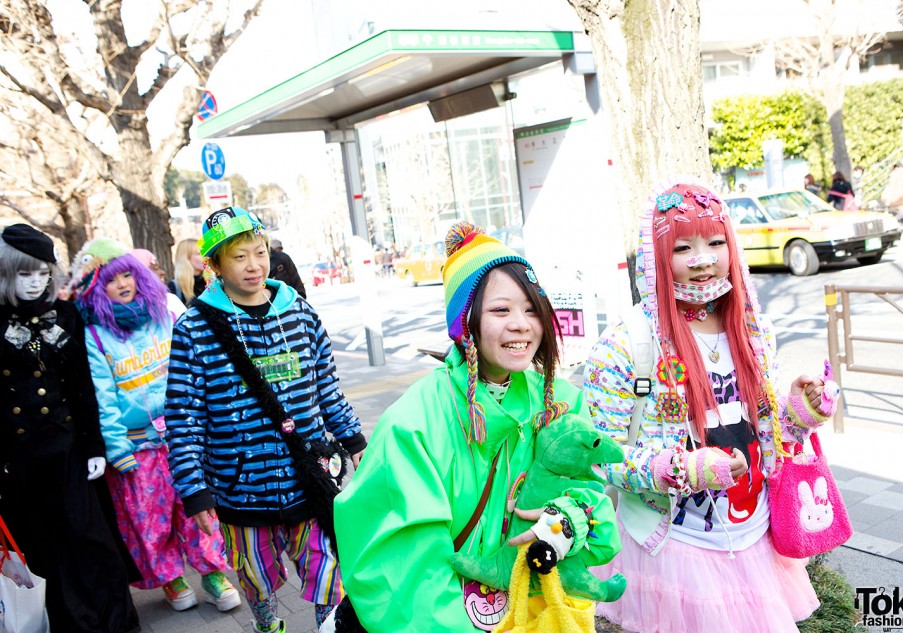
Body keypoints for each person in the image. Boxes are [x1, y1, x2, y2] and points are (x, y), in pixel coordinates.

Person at [334, 221, 622, 632]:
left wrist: (574, 522)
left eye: (531, 309)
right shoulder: (413, 423)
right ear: (465, 322)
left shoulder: (562, 405)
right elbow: (405, 573)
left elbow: (597, 511)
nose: (522, 324)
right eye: (501, 309)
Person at [584, 180, 839, 633]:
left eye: (716, 242)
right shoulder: (625, 343)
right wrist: (682, 470)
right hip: (674, 546)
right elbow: (600, 456)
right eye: (684, 247)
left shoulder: (753, 327)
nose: (703, 259)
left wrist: (801, 412)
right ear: (658, 256)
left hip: (753, 535)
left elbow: (765, 432)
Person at [163, 206, 367, 633]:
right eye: (239, 257)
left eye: (259, 252)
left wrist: (353, 439)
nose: (254, 265)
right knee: (256, 580)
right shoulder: (194, 328)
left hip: (309, 479)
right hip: (241, 492)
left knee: (330, 577)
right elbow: (183, 417)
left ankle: (329, 626)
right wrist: (195, 491)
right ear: (214, 264)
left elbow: (327, 387)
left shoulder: (302, 314)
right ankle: (268, 625)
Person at [72, 237, 241, 613]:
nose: (122, 284)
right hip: (137, 447)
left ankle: (213, 573)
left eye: (128, 274)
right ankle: (171, 578)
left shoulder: (163, 315)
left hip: (183, 438)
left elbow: (193, 371)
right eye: (111, 280)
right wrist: (116, 448)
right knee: (151, 521)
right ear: (96, 288)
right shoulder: (96, 335)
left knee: (197, 508)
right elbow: (103, 397)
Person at [0, 224, 140, 633]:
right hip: (20, 458)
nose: (35, 283)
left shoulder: (64, 315)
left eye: (42, 273)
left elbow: (84, 387)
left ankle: (114, 621)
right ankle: (67, 623)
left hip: (70, 450)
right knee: (42, 547)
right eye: (25, 274)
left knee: (91, 537)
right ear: (7, 273)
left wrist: (95, 446)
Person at [168, 237, 206, 305]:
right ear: (186, 258)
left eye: (205, 253)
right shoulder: (175, 287)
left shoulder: (211, 283)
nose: (205, 257)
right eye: (199, 254)